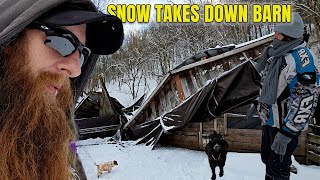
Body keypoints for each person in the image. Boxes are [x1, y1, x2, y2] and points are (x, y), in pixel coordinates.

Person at [0, 0, 123, 179]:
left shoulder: (60, 138)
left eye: (82, 55)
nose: (75, 70)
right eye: (62, 41)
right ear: (10, 42)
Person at [255, 12, 320, 180]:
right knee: (268, 162)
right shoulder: (277, 54)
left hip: (284, 128)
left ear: (290, 36)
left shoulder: (302, 61)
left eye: (279, 33)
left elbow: (306, 101)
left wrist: (287, 134)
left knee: (278, 170)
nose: (274, 35)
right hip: (270, 122)